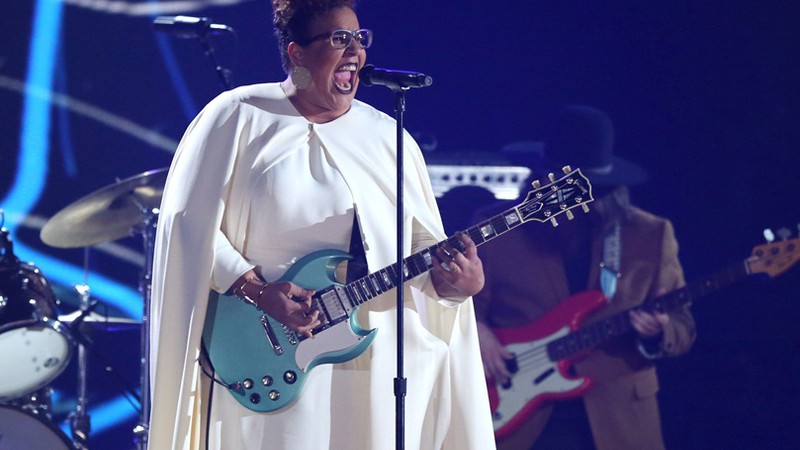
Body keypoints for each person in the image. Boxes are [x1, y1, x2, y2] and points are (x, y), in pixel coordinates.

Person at [147, 1, 496, 449]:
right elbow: (188, 229)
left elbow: (422, 250)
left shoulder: (388, 137)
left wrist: (456, 286)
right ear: (296, 53)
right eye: (338, 39)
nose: (355, 51)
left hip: (379, 354)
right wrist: (255, 288)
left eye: (359, 38)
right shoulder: (237, 116)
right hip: (267, 350)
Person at [473, 105, 696, 450]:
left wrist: (660, 330)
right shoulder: (498, 227)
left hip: (619, 421)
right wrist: (477, 332)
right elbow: (458, 303)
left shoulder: (650, 235)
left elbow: (683, 327)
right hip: (518, 416)